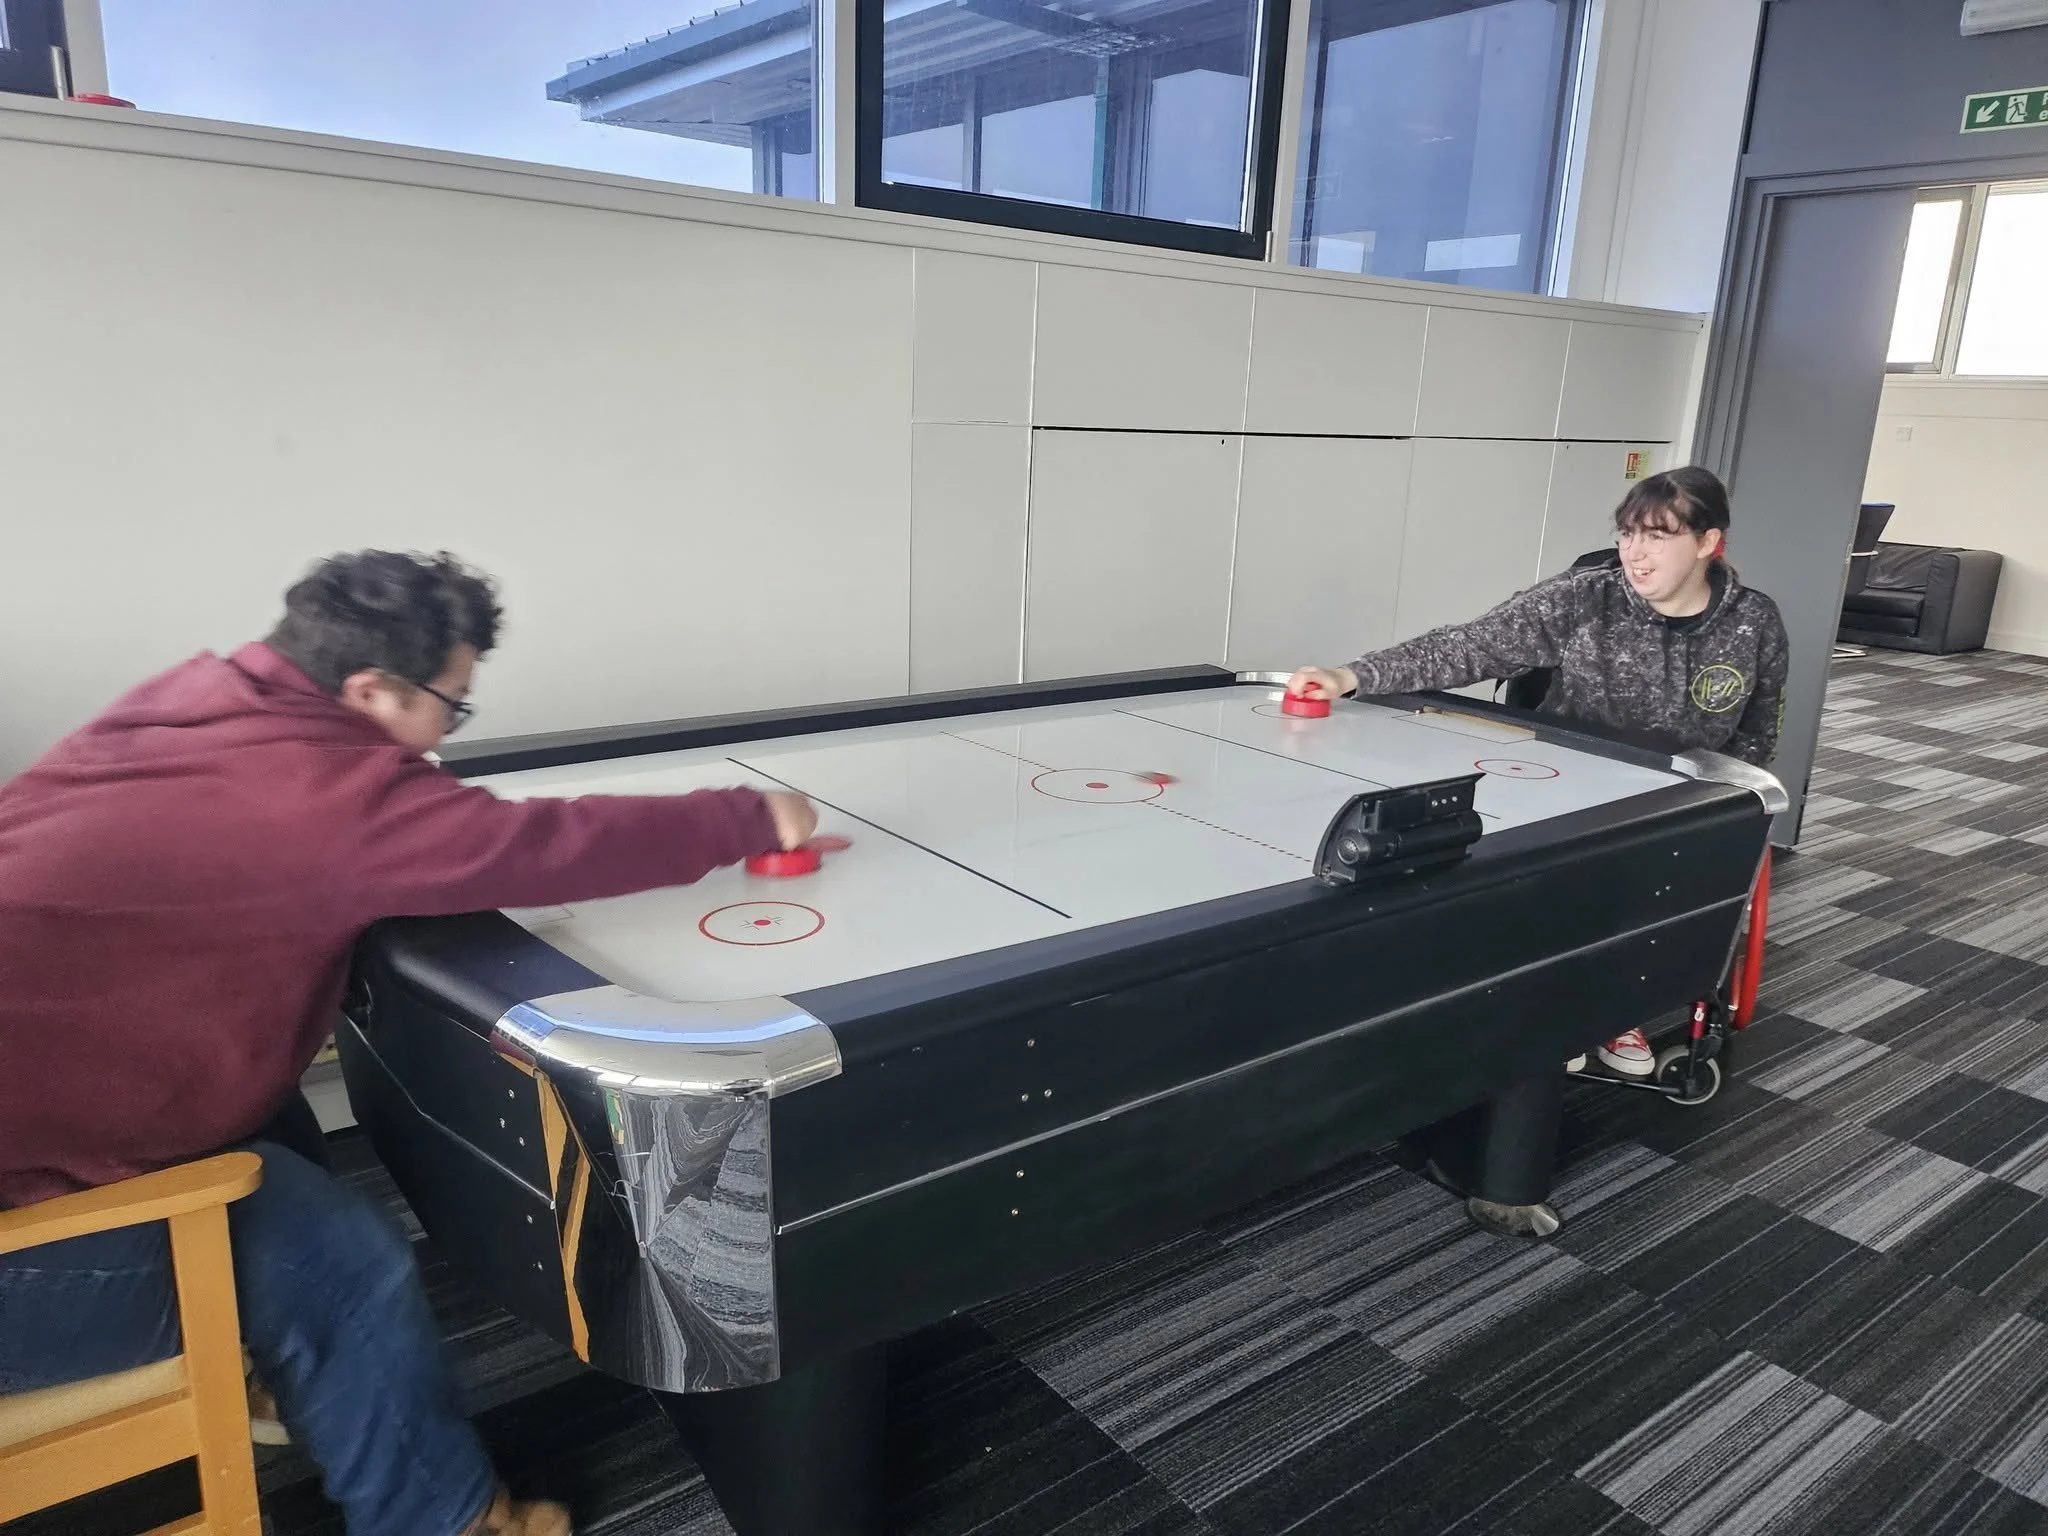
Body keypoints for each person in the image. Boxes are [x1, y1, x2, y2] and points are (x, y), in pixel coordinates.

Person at [0, 551, 819, 1536]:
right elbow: (539, 845)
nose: (445, 735)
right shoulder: (318, 801)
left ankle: (285, 1373)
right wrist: (750, 815)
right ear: (369, 689)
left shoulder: (200, 698)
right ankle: (446, 1519)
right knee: (338, 1266)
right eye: (450, 706)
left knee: (268, 1117)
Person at [1288, 465, 1788, 1079]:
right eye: (1629, 533)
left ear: (1709, 543)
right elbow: (1469, 644)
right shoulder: (1586, 598)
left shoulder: (1754, 622)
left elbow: (1759, 731)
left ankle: (1615, 1008)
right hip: (1574, 783)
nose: (1635, 552)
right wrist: (1353, 676)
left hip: (1680, 795)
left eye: (1658, 536)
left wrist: (1737, 810)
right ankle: (1559, 1008)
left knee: (1668, 894)